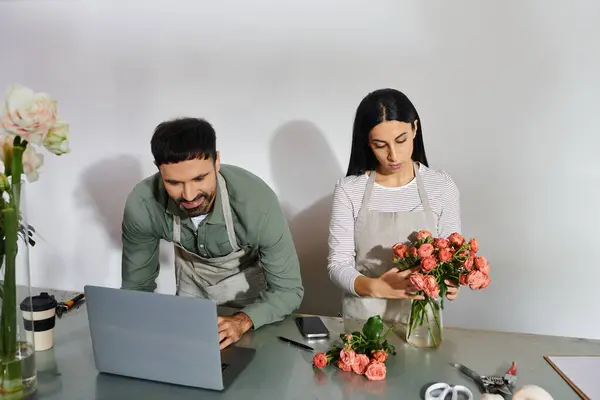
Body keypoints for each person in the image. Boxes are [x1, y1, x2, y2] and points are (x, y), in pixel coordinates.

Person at [121, 117, 304, 349]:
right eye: (174, 183)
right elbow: (136, 289)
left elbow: (288, 291)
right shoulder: (143, 204)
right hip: (190, 299)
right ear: (158, 168)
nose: (188, 195)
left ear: (216, 161)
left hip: (253, 307)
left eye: (199, 178)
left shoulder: (258, 204)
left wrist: (243, 320)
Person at [327, 88, 462, 323]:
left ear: (415, 129)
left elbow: (451, 254)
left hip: (422, 324)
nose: (393, 155)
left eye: (401, 140)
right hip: (363, 325)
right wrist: (376, 287)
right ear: (368, 143)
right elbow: (337, 265)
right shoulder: (350, 190)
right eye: (380, 145)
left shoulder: (441, 186)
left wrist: (452, 279)